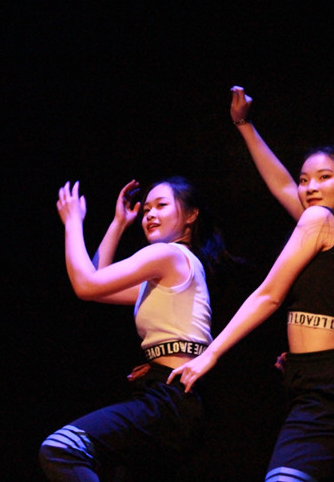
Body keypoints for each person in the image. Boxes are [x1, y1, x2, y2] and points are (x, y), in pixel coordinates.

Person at [169, 86, 334, 482]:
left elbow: (270, 295)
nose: (309, 187)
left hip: (329, 387)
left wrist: (211, 354)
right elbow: (281, 186)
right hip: (311, 378)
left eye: (324, 177)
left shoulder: (320, 221)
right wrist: (244, 125)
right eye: (305, 180)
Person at [39, 176, 232, 481]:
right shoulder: (171, 270)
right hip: (172, 396)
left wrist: (73, 222)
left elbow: (86, 284)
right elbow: (99, 281)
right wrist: (118, 223)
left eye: (161, 205)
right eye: (146, 209)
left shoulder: (168, 254)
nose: (150, 214)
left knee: (63, 448)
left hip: (171, 399)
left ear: (191, 215)